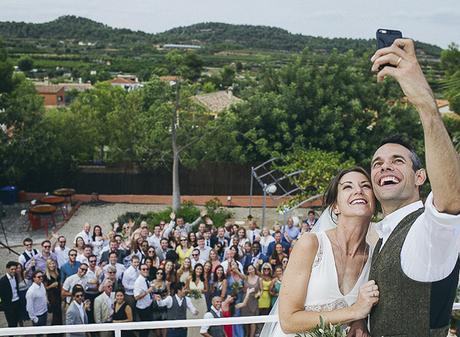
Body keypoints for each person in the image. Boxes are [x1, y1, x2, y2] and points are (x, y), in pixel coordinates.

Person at [366, 38, 460, 337]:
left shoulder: (427, 229)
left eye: (397, 161)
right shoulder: (381, 236)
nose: (385, 167)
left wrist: (425, 105)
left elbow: (450, 201)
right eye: (377, 164)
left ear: (420, 177)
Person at [266, 167, 378, 336]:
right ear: (335, 207)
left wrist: (359, 321)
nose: (359, 190)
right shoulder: (311, 244)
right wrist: (354, 312)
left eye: (366, 186)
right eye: (348, 186)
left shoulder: (375, 257)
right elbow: (288, 321)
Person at [186, 263, 209, 337]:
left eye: (200, 269)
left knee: (201, 319)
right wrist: (192, 291)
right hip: (192, 301)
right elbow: (186, 289)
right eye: (197, 269)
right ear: (194, 269)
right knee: (191, 320)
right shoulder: (189, 278)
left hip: (201, 301)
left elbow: (206, 290)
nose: (199, 270)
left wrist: (200, 291)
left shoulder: (204, 279)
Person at [134, 263, 154, 337]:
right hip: (143, 309)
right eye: (143, 269)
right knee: (144, 330)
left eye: (147, 269)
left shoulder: (146, 279)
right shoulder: (138, 282)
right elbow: (136, 297)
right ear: (140, 271)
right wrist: (147, 291)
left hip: (148, 306)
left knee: (147, 329)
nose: (146, 270)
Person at [0, 261, 21, 327]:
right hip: (9, 305)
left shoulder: (16, 277)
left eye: (15, 269)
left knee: (17, 320)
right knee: (11, 323)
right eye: (12, 269)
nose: (14, 271)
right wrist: (4, 306)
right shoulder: (2, 281)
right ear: (7, 269)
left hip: (17, 302)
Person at [44, 258, 63, 326]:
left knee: (59, 313)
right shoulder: (45, 275)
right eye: (50, 264)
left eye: (53, 263)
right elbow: (45, 288)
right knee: (55, 313)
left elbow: (60, 283)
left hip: (58, 295)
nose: (52, 265)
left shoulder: (58, 271)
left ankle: (60, 330)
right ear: (47, 265)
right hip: (52, 296)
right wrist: (51, 285)